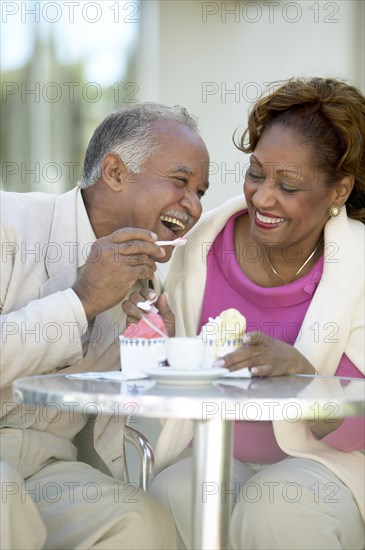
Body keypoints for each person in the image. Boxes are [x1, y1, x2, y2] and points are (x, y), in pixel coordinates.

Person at [124, 77, 365, 549]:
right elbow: (159, 384)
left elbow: (352, 429)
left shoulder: (359, 269)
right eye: (256, 173)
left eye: (288, 185)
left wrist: (304, 377)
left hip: (328, 467)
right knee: (175, 491)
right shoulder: (197, 247)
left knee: (276, 503)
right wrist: (162, 341)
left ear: (339, 190)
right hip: (214, 454)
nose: (262, 197)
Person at [0, 102, 210, 549]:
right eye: (180, 181)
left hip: (49, 467)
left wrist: (156, 354)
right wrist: (82, 300)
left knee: (142, 522)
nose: (192, 206)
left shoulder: (143, 277)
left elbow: (109, 403)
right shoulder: (8, 225)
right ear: (114, 172)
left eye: (200, 191)